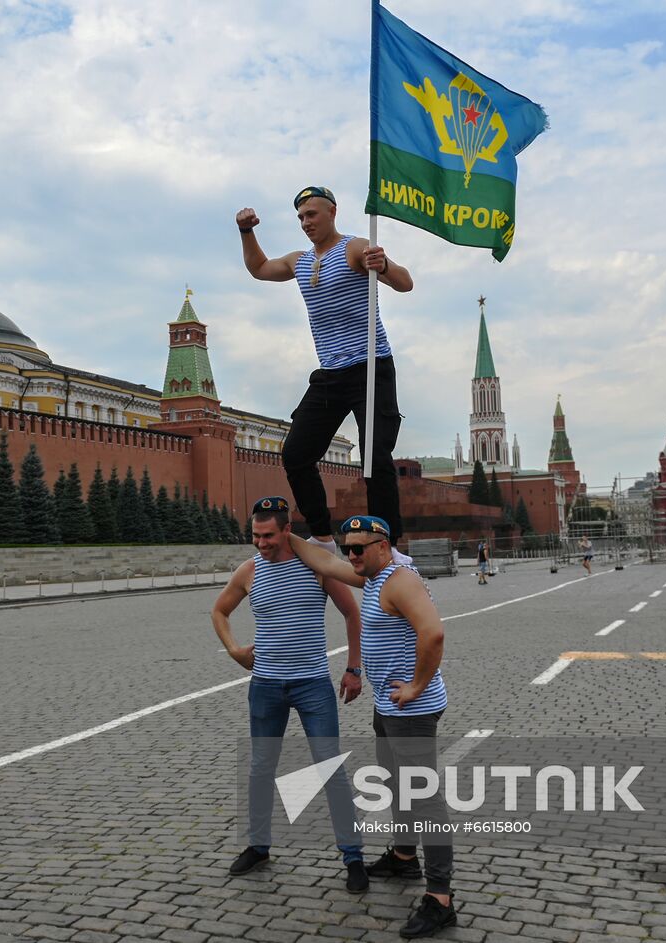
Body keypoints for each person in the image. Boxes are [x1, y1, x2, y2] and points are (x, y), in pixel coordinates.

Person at [290, 518, 457, 939]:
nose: (352, 555)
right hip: (389, 707)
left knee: (424, 796)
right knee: (397, 785)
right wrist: (279, 532)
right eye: (349, 548)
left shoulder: (399, 581)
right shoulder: (374, 575)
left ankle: (440, 899)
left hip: (411, 710)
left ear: (383, 546)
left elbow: (433, 633)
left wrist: (417, 685)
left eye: (360, 548)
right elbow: (323, 563)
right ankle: (403, 857)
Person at [236, 187, 414, 563]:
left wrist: (383, 266)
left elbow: (404, 282)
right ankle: (322, 536)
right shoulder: (298, 261)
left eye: (312, 215)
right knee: (297, 454)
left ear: (332, 212)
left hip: (371, 367)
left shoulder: (355, 248)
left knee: (374, 459)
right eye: (301, 217)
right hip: (331, 374)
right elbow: (259, 269)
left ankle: (389, 545)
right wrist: (246, 231)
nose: (306, 223)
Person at [211, 496, 368, 893]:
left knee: (329, 769)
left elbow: (352, 612)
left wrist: (353, 668)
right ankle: (258, 846)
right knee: (261, 769)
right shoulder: (249, 571)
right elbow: (219, 611)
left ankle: (353, 858)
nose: (261, 543)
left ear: (285, 531)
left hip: (312, 683)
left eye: (268, 535)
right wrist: (233, 649)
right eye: (255, 536)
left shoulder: (315, 566)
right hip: (265, 686)